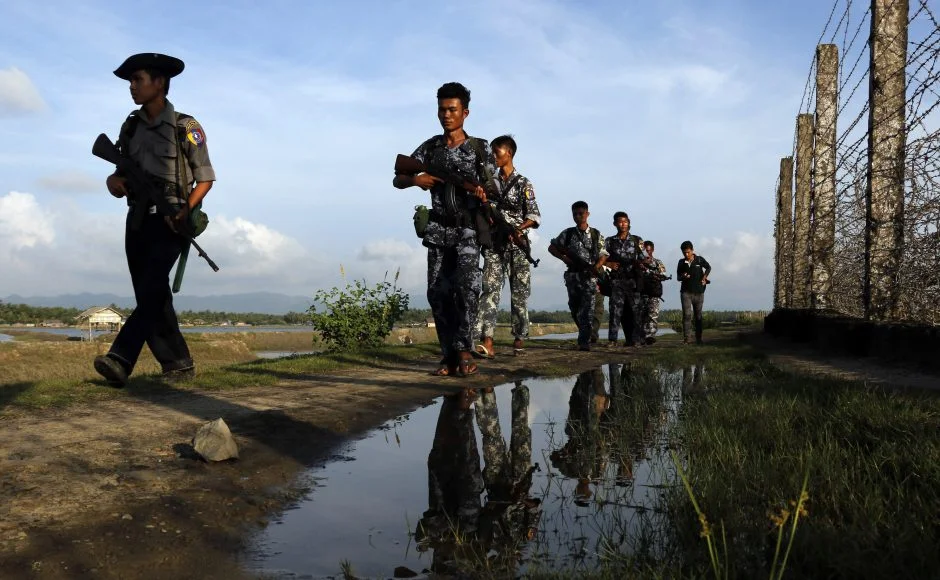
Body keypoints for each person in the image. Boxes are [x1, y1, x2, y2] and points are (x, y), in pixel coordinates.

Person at [94, 53, 215, 387]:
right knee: (153, 293)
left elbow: (205, 179)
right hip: (137, 219)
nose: (132, 87)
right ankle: (178, 363)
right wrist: (112, 182)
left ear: (159, 83)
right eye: (131, 81)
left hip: (171, 219)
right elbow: (118, 174)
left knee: (150, 291)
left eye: (138, 79)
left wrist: (183, 209)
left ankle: (120, 359)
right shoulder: (130, 126)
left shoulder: (186, 127)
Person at [393, 82, 497, 377]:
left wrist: (482, 193)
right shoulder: (430, 148)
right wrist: (416, 180)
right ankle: (449, 354)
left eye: (452, 110)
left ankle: (464, 350)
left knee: (467, 288)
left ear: (465, 112)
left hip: (467, 231)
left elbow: (494, 186)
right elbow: (398, 178)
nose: (446, 115)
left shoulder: (479, 148)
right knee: (437, 293)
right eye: (442, 109)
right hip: (438, 230)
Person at [473, 135, 541, 359]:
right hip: (494, 243)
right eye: (492, 152)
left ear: (509, 153)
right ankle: (487, 341)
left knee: (519, 294)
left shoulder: (524, 183)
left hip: (518, 245)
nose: (494, 156)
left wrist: (518, 230)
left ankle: (519, 337)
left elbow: (533, 215)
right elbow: (481, 209)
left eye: (497, 152)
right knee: (490, 289)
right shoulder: (488, 182)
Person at [548, 201, 608, 351]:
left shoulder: (596, 234)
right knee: (574, 308)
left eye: (581, 213)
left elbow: (603, 255)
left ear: (587, 214)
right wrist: (564, 258)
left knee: (588, 308)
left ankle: (584, 341)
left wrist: (595, 267)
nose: (578, 216)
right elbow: (552, 247)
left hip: (589, 277)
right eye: (575, 213)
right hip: (573, 276)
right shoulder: (567, 233)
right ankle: (586, 335)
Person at [604, 212, 644, 347]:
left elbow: (645, 259)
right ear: (615, 224)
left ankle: (636, 339)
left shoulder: (637, 240)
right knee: (615, 311)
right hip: (617, 280)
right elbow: (600, 258)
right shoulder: (609, 241)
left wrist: (641, 263)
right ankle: (612, 340)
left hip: (633, 281)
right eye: (620, 222)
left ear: (629, 222)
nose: (623, 224)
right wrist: (607, 264)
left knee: (635, 311)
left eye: (625, 221)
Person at [677, 240, 711, 344]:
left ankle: (699, 339)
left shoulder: (700, 260)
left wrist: (705, 277)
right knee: (687, 315)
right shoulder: (681, 262)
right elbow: (678, 277)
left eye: (688, 252)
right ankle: (687, 339)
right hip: (686, 293)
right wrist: (683, 276)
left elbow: (709, 267)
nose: (686, 254)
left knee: (698, 316)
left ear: (692, 250)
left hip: (699, 292)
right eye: (684, 253)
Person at [638, 240, 668, 345]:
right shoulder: (638, 262)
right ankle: (641, 338)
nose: (647, 253)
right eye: (645, 251)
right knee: (640, 316)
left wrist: (655, 274)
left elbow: (663, 274)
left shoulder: (657, 262)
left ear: (653, 250)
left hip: (654, 292)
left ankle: (650, 336)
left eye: (649, 251)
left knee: (653, 315)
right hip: (641, 293)